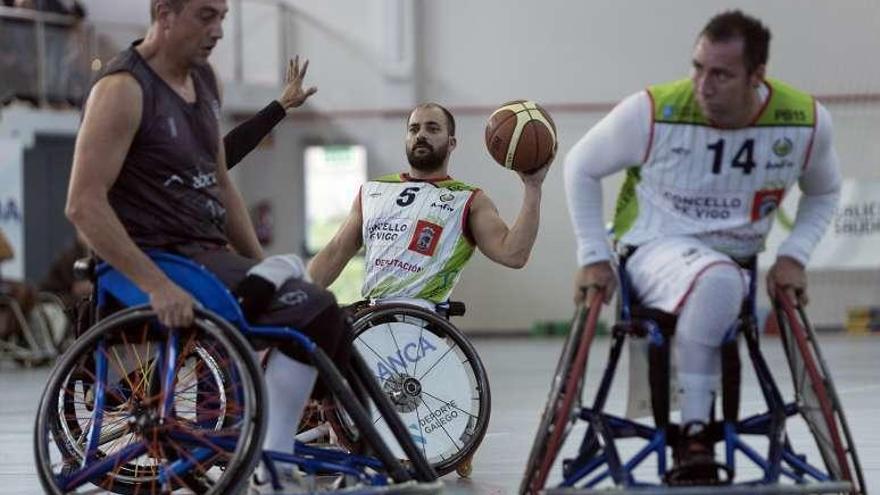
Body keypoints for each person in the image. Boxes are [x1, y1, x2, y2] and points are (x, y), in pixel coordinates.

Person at [64, 0, 334, 491]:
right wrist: (157, 285)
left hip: (207, 254)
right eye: (206, 16)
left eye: (224, 17)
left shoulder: (205, 82)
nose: (219, 31)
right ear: (164, 13)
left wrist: (258, 259)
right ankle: (273, 464)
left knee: (321, 311)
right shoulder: (122, 90)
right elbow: (83, 205)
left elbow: (222, 178)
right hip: (157, 259)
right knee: (298, 308)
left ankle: (296, 450)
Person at [564, 10, 841, 483]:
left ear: (757, 77)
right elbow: (579, 165)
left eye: (721, 74)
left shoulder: (805, 122)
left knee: (722, 277)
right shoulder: (651, 111)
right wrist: (592, 255)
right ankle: (694, 434)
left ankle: (697, 424)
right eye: (698, 67)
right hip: (654, 252)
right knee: (717, 279)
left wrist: (795, 254)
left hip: (737, 263)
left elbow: (825, 191)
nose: (703, 85)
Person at [307, 102, 551, 310]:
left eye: (432, 128)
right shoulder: (372, 191)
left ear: (451, 142)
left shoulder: (469, 199)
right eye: (414, 129)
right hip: (372, 320)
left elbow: (513, 255)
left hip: (424, 328)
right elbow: (334, 252)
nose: (420, 135)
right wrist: (293, 294)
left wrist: (532, 187)